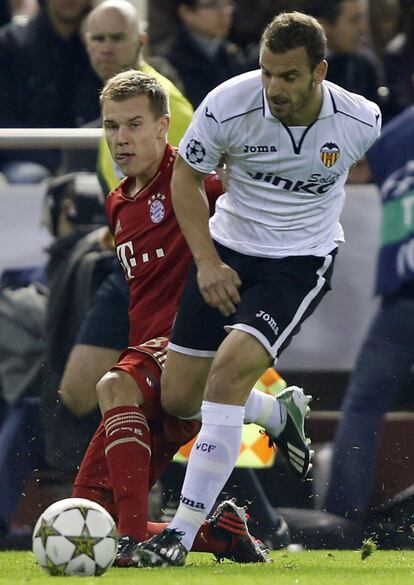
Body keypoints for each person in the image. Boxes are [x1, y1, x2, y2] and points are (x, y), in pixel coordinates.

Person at [134, 11, 381, 567]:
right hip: (226, 252)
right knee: (179, 398)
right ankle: (274, 413)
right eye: (267, 72)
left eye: (289, 77)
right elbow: (185, 178)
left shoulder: (360, 119)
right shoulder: (227, 104)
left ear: (319, 72)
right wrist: (206, 263)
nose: (274, 88)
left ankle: (180, 532)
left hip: (298, 262)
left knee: (225, 376)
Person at [71, 69, 286, 565]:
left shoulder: (193, 180)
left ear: (164, 126)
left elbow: (250, 213)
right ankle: (220, 535)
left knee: (111, 387)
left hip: (180, 352)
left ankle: (129, 544)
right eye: (111, 126)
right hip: (145, 364)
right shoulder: (117, 202)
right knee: (86, 512)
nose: (120, 138)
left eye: (133, 125)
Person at [323, 104, 414, 521]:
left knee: (363, 405)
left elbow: (354, 171)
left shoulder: (397, 131)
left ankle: (342, 518)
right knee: (363, 405)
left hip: (403, 294)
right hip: (401, 298)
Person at [0, 0, 101, 183]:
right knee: (29, 176)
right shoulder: (10, 43)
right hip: (25, 159)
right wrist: (56, 161)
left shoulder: (99, 50)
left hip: (86, 162)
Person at [157, 0, 247, 109]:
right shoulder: (169, 60)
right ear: (186, 12)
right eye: (212, 5)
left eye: (228, 4)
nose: (224, 12)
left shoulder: (232, 55)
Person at [306, 0, 383, 107]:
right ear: (324, 26)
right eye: (354, 20)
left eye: (362, 19)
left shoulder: (367, 64)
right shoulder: (306, 70)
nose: (362, 28)